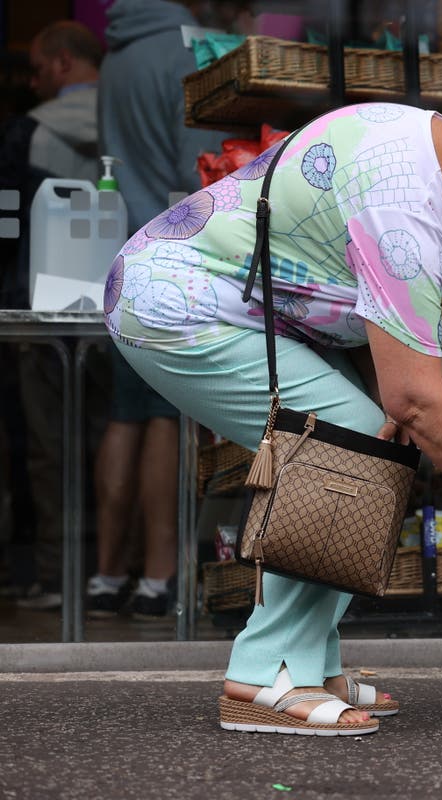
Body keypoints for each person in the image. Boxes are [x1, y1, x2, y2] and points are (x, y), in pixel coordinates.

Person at [104, 89, 442, 734]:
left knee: (361, 448)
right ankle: (264, 676)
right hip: (178, 306)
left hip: (193, 294)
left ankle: (310, 663)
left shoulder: (421, 140)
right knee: (348, 452)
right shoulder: (406, 209)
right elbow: (415, 399)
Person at [86, 0, 242, 619]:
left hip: (116, 252)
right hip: (173, 258)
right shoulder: (189, 50)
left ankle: (105, 575)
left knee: (124, 415)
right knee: (163, 418)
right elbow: (201, 168)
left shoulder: (117, 53)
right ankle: (158, 578)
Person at [0, 20, 107, 611]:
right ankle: (113, 571)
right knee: (112, 436)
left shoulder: (28, 132)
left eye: (38, 71)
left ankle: (50, 574)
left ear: (63, 63)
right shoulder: (130, 123)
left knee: (44, 446)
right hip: (113, 311)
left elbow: (8, 224)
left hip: (39, 311)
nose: (35, 83)